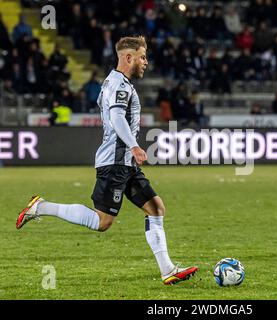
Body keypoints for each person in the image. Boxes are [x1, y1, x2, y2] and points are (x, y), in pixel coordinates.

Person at [16, 36, 198, 284]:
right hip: (115, 162)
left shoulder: (113, 82)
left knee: (156, 207)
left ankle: (167, 270)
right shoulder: (120, 85)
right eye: (142, 57)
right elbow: (116, 117)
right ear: (128, 57)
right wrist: (134, 146)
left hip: (125, 163)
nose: (146, 62)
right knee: (103, 222)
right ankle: (41, 207)